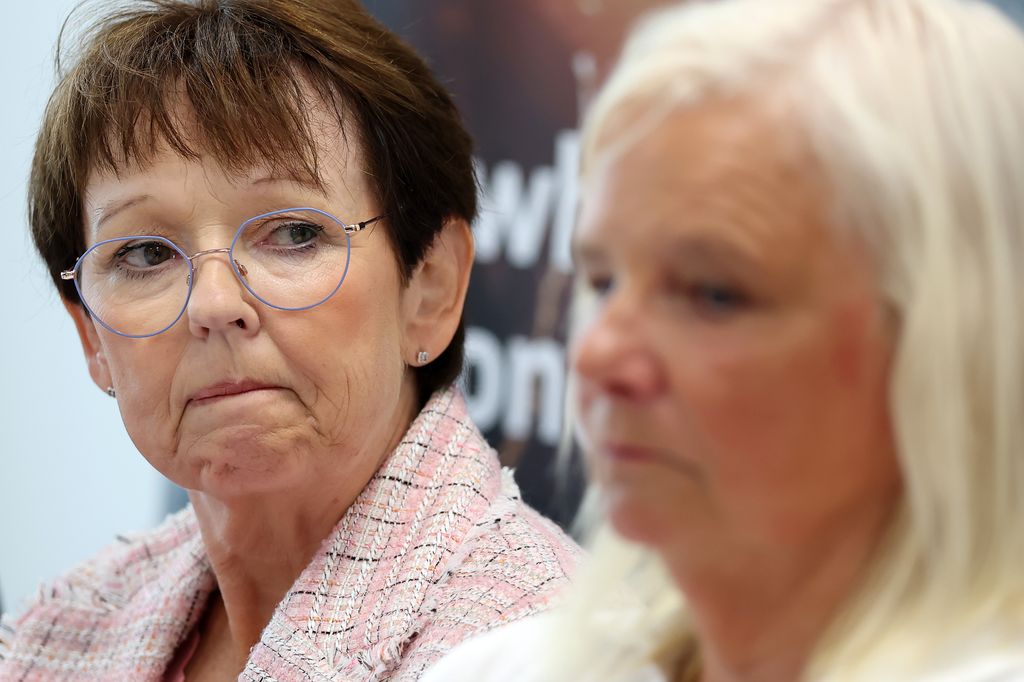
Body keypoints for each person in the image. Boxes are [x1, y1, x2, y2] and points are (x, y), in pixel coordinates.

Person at [422, 0, 1024, 680]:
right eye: (604, 280)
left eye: (714, 294)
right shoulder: (502, 670)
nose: (597, 356)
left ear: (950, 343)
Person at [0, 1, 580, 679]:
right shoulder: (54, 636)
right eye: (146, 253)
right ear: (92, 337)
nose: (214, 304)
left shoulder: (539, 649)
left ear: (430, 288)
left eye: (294, 233)